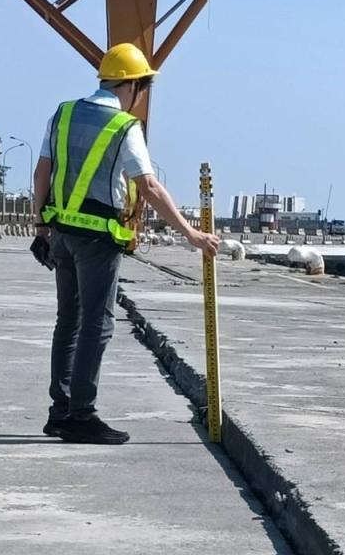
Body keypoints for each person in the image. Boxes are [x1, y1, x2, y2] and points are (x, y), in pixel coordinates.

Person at [32, 43, 220, 444]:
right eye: (143, 88)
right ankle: (81, 415)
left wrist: (40, 228)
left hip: (61, 233)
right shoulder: (123, 127)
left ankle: (59, 410)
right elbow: (148, 186)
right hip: (98, 239)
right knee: (96, 325)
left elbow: (42, 172)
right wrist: (191, 234)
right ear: (131, 85)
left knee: (68, 321)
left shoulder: (62, 114)